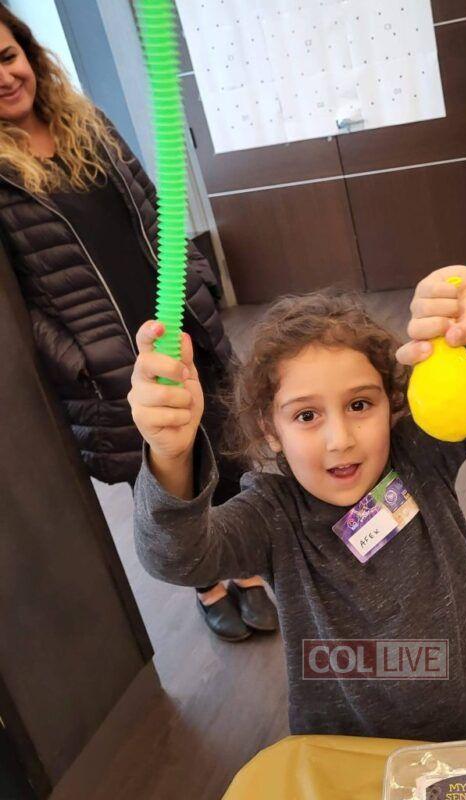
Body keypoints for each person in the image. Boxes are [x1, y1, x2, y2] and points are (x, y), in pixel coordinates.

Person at [130, 265, 466, 740]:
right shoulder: (271, 517)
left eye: (359, 405)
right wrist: (170, 456)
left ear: (392, 404)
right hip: (359, 752)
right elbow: (177, 556)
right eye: (307, 415)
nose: (340, 439)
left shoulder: (417, 458)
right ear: (270, 431)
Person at [0, 7, 276, 641]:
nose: (5, 77)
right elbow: (16, 308)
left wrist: (198, 282)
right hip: (106, 359)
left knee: (225, 442)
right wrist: (78, 360)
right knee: (160, 470)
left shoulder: (88, 124)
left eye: (8, 57)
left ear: (29, 54)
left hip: (177, 319)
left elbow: (156, 206)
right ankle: (207, 584)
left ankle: (244, 565)